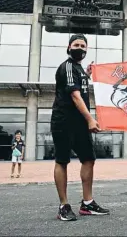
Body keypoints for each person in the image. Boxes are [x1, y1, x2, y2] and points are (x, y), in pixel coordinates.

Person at [51, 34, 109, 221]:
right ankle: (63, 205)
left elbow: (80, 87)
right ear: (69, 48)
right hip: (64, 121)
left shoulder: (79, 70)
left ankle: (87, 203)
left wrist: (87, 74)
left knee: (88, 159)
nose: (80, 48)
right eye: (76, 45)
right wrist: (91, 119)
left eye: (83, 46)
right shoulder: (67, 66)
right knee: (62, 161)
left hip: (79, 124)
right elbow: (75, 96)